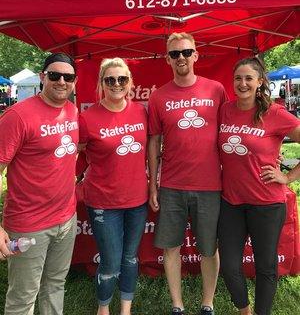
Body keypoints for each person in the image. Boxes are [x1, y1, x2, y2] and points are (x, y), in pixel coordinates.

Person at [148, 32, 228, 315]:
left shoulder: (216, 89)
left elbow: (230, 130)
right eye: (174, 54)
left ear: (196, 55)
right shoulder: (158, 96)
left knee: (209, 248)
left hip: (210, 185)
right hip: (172, 185)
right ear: (167, 59)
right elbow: (154, 141)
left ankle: (208, 303)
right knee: (171, 247)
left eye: (185, 52)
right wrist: (154, 186)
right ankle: (177, 305)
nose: (180, 57)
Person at [218, 57, 300, 315]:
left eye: (248, 78)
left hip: (266, 203)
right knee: (230, 266)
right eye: (238, 78)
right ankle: (245, 310)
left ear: (260, 82)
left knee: (265, 266)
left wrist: (287, 177)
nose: (242, 83)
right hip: (231, 202)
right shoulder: (225, 110)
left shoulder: (274, 114)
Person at [0, 53, 79, 315]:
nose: (61, 81)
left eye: (68, 77)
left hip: (66, 219)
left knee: (55, 286)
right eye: (54, 75)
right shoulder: (18, 115)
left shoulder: (72, 110)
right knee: (23, 298)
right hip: (29, 225)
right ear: (42, 77)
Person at [78, 57, 148, 315]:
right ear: (102, 83)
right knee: (109, 261)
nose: (117, 84)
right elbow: (76, 155)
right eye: (110, 79)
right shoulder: (87, 117)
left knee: (130, 258)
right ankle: (103, 308)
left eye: (122, 79)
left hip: (137, 200)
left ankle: (125, 310)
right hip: (103, 203)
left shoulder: (141, 111)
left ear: (130, 82)